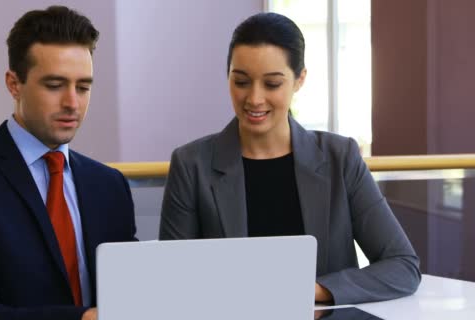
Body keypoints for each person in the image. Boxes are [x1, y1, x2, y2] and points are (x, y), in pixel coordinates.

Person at [159, 12, 420, 305]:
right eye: (241, 81)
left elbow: (403, 266)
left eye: (272, 84)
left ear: (299, 80)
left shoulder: (340, 158)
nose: (255, 98)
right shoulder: (191, 165)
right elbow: (172, 279)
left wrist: (314, 290)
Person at [0, 6, 136, 320]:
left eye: (83, 87)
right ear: (14, 84)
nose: (72, 102)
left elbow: (130, 292)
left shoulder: (109, 184)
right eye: (55, 86)